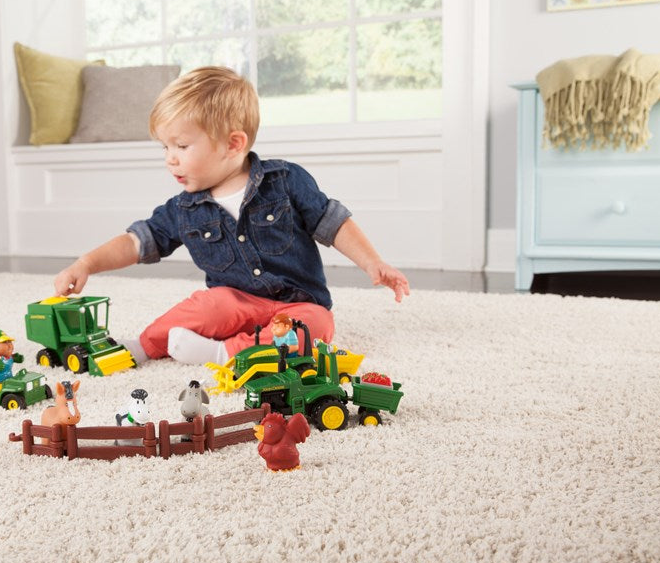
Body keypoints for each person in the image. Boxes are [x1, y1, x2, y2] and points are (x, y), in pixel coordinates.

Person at [52, 67, 410, 366]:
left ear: (233, 144)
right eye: (165, 147)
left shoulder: (285, 181)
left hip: (298, 303)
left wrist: (373, 262)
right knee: (204, 308)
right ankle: (145, 346)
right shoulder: (184, 209)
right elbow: (136, 241)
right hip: (233, 303)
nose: (169, 158)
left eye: (181, 146)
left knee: (316, 329)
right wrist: (86, 263)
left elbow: (333, 223)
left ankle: (226, 353)